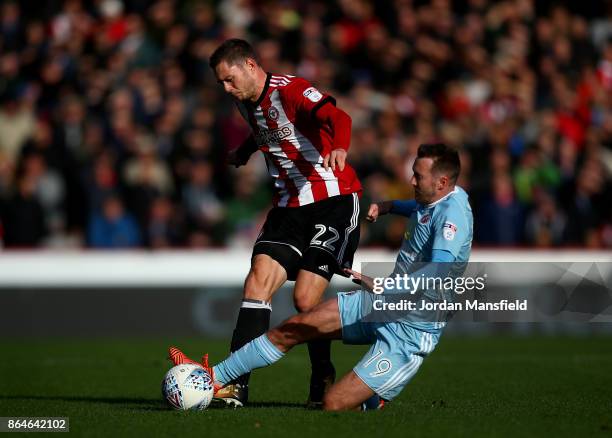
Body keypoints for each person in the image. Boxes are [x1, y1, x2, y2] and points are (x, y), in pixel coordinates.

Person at [170, 143, 473, 411]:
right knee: (296, 326)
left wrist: (381, 284)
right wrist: (389, 207)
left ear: (443, 182)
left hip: (412, 326)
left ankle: (376, 396)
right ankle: (214, 378)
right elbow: (420, 207)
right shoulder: (435, 198)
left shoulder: (453, 217)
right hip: (384, 303)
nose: (411, 181)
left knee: (334, 404)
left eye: (418, 177)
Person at [188, 39, 362, 407]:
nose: (226, 88)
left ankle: (323, 373)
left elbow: (338, 117)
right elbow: (267, 130)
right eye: (220, 82)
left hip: (333, 201)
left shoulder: (293, 90)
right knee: (257, 281)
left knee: (305, 299)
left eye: (229, 79)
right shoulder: (244, 101)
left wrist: (340, 146)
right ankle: (234, 385)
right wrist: (246, 151)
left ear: (250, 65)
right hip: (288, 208)